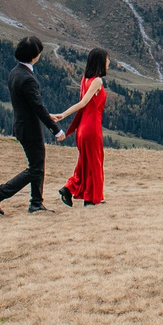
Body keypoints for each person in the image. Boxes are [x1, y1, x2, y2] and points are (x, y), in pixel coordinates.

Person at [0, 36, 60, 215]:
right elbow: (38, 106)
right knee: (35, 167)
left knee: (37, 163)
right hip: (30, 128)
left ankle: (36, 202)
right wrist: (56, 130)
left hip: (21, 124)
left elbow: (27, 104)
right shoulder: (28, 78)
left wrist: (48, 117)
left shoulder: (15, 72)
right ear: (34, 55)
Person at [54, 48, 109, 207]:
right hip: (92, 127)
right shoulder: (97, 81)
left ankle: (70, 188)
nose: (109, 62)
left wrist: (72, 127)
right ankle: (93, 198)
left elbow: (82, 105)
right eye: (107, 60)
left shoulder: (85, 79)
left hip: (83, 128)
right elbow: (83, 103)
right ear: (101, 62)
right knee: (95, 162)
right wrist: (63, 115)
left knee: (85, 162)